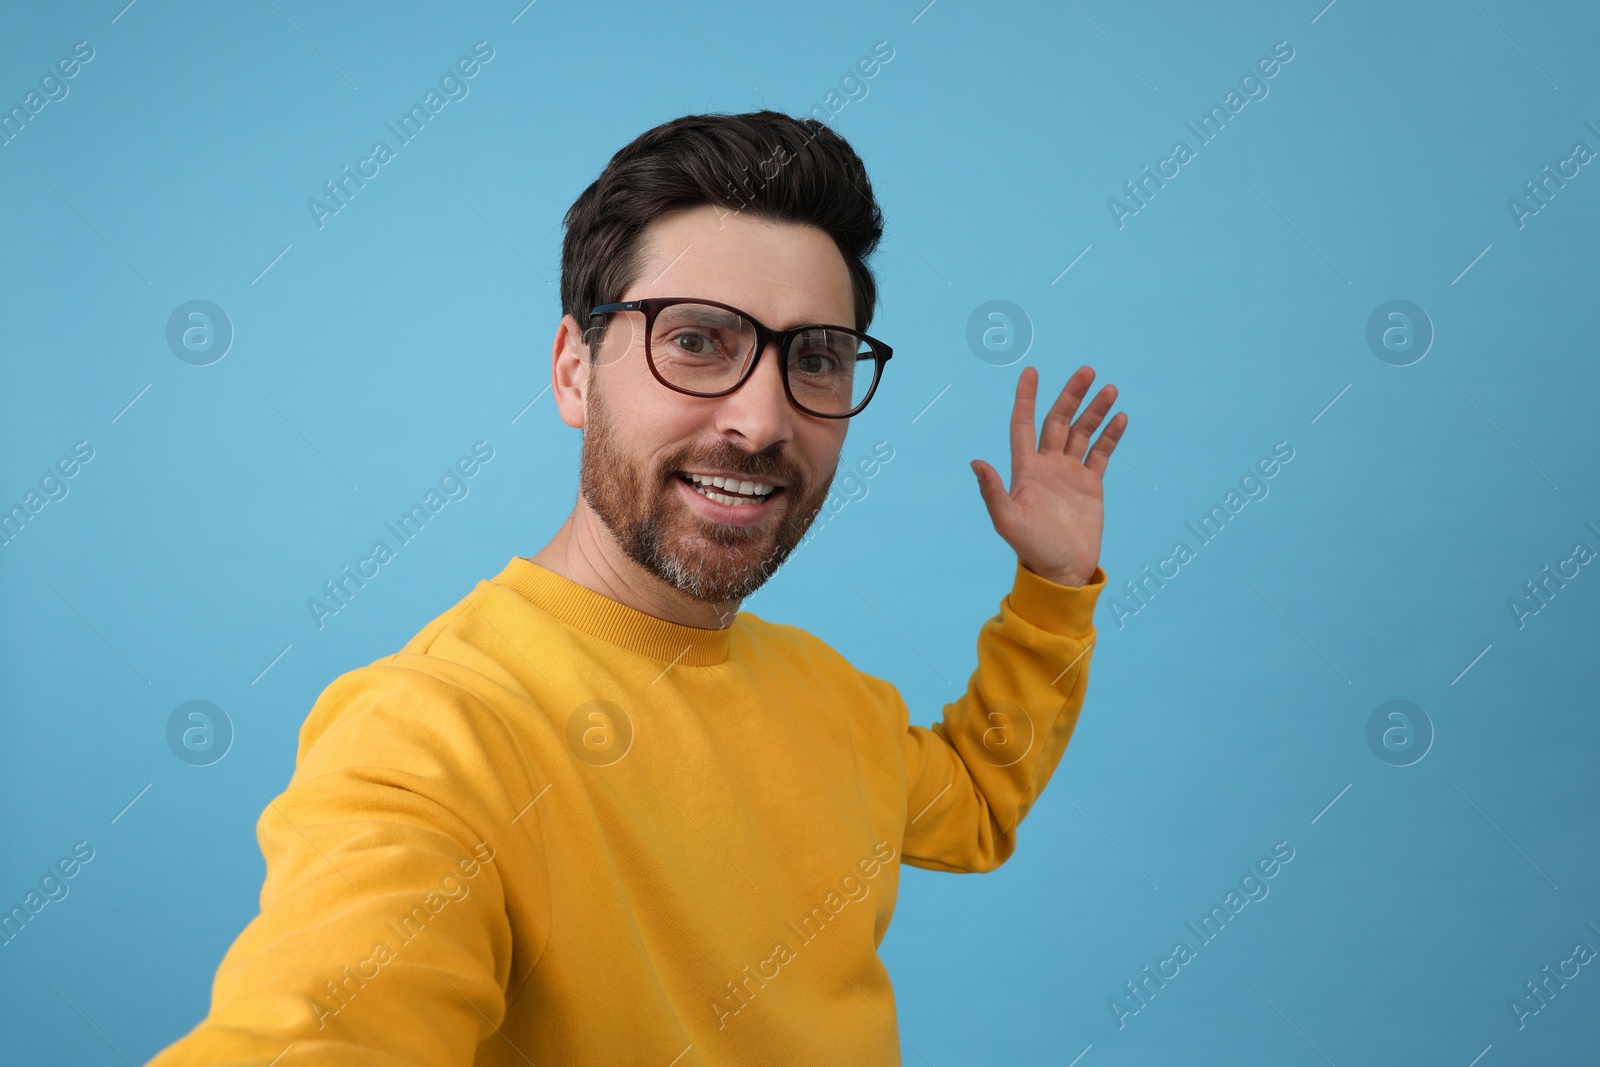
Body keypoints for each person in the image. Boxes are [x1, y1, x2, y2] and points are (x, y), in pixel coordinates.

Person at [146, 109, 1127, 1066]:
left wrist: (1053, 582)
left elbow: (973, 799)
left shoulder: (831, 695)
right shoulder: (433, 735)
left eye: (814, 359)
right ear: (575, 372)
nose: (759, 419)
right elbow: (319, 1025)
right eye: (697, 340)